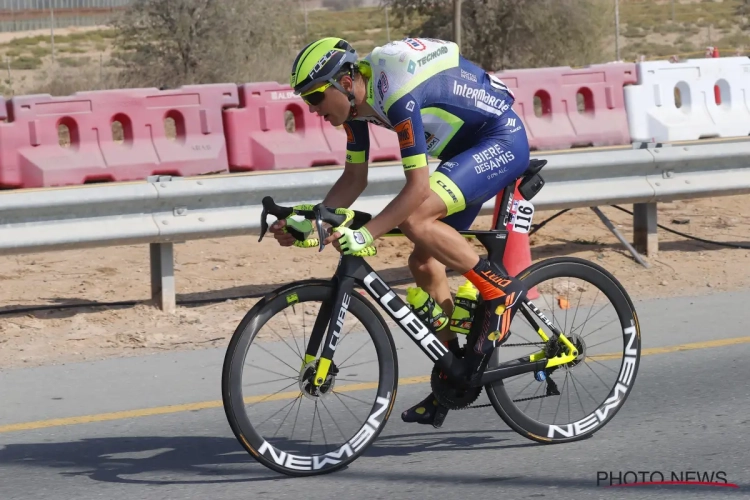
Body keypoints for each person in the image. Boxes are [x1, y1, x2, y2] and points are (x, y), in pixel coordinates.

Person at [273, 36, 530, 426]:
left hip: (499, 140)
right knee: (424, 261)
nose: (313, 110)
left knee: (415, 220)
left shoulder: (394, 92)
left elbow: (417, 189)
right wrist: (314, 224)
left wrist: (366, 235)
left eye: (315, 98)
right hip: (463, 155)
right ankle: (454, 374)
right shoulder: (356, 110)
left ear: (344, 82)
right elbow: (354, 179)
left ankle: (500, 292)